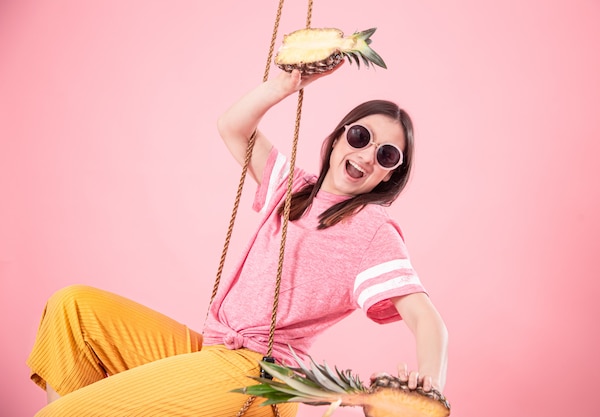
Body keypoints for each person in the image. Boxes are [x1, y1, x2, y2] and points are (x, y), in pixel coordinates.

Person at [27, 66, 448, 416]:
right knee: (74, 309)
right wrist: (282, 86)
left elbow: (427, 320)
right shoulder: (293, 187)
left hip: (258, 376)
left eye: (386, 155)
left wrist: (428, 386)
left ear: (388, 174)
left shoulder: (371, 229)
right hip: (215, 351)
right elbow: (232, 127)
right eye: (360, 137)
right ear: (338, 138)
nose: (367, 155)